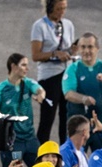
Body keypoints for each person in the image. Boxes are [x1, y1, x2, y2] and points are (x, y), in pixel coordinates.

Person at [31, 0, 75, 143]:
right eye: (58, 9)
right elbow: (36, 55)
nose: (62, 12)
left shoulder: (68, 24)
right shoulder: (39, 26)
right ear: (50, 8)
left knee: (66, 117)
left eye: (64, 8)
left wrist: (74, 50)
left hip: (66, 74)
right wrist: (55, 54)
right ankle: (41, 156)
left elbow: (70, 48)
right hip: (49, 76)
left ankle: (65, 156)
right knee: (47, 119)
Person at [0, 54, 47, 167]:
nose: (27, 68)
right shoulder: (0, 90)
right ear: (13, 66)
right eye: (23, 65)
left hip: (31, 139)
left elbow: (39, 89)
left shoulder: (27, 83)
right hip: (14, 143)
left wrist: (41, 95)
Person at [62, 33, 102, 124]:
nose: (86, 51)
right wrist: (83, 99)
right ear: (79, 48)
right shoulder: (72, 69)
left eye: (90, 47)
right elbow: (68, 94)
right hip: (79, 125)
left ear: (97, 48)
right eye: (83, 47)